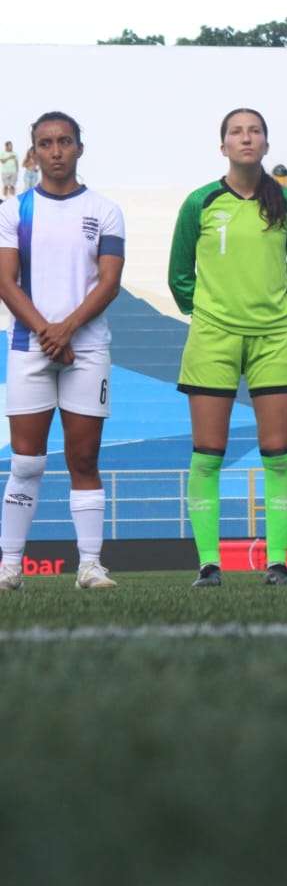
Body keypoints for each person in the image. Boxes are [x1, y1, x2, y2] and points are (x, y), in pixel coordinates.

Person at [169, 107, 287, 587]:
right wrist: (212, 314)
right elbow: (179, 276)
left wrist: (271, 313)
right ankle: (209, 565)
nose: (246, 138)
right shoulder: (200, 202)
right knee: (207, 453)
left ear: (267, 145)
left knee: (278, 454)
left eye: (254, 131)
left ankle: (277, 563)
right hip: (213, 336)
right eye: (236, 131)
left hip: (274, 338)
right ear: (223, 145)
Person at [0, 112, 124, 590]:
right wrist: (47, 334)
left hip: (88, 350)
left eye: (64, 142)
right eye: (46, 143)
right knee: (26, 462)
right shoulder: (14, 211)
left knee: (84, 460)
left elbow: (110, 282)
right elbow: (5, 282)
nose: (55, 151)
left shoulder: (105, 210)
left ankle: (90, 566)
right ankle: (10, 565)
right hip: (28, 347)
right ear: (33, 153)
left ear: (79, 148)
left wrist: (67, 330)